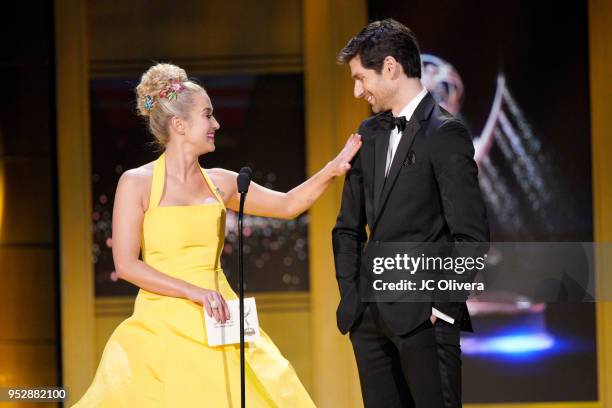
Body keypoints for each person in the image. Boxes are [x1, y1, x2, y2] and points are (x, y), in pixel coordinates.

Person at [72, 62, 361, 407]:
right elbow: (126, 263)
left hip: (221, 316)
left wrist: (334, 169)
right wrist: (193, 292)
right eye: (207, 115)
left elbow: (288, 204)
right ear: (179, 124)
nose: (216, 124)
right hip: (163, 322)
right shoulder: (136, 183)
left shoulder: (222, 182)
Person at [332, 19, 489, 407]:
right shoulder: (367, 133)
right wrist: (353, 303)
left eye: (359, 78)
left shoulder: (445, 133)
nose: (356, 91)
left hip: (425, 320)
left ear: (389, 67)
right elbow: (347, 229)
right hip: (369, 323)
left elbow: (471, 237)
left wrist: (440, 308)